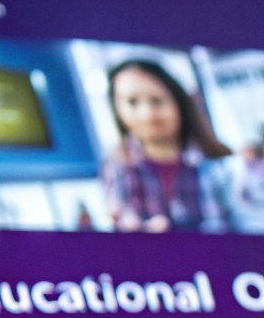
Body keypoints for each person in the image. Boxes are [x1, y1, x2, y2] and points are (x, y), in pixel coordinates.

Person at [100, 60, 233, 233]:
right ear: (117, 110)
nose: (147, 114)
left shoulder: (220, 165)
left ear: (179, 102)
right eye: (132, 102)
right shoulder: (116, 167)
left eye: (157, 100)